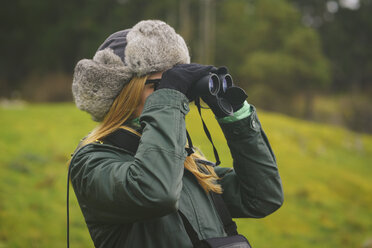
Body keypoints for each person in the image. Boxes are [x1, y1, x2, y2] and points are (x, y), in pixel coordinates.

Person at [69, 20, 284, 248]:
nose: (173, 93)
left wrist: (233, 113)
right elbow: (154, 191)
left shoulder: (188, 165)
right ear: (125, 94)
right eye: (159, 86)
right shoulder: (91, 162)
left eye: (176, 84)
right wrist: (169, 96)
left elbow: (262, 197)